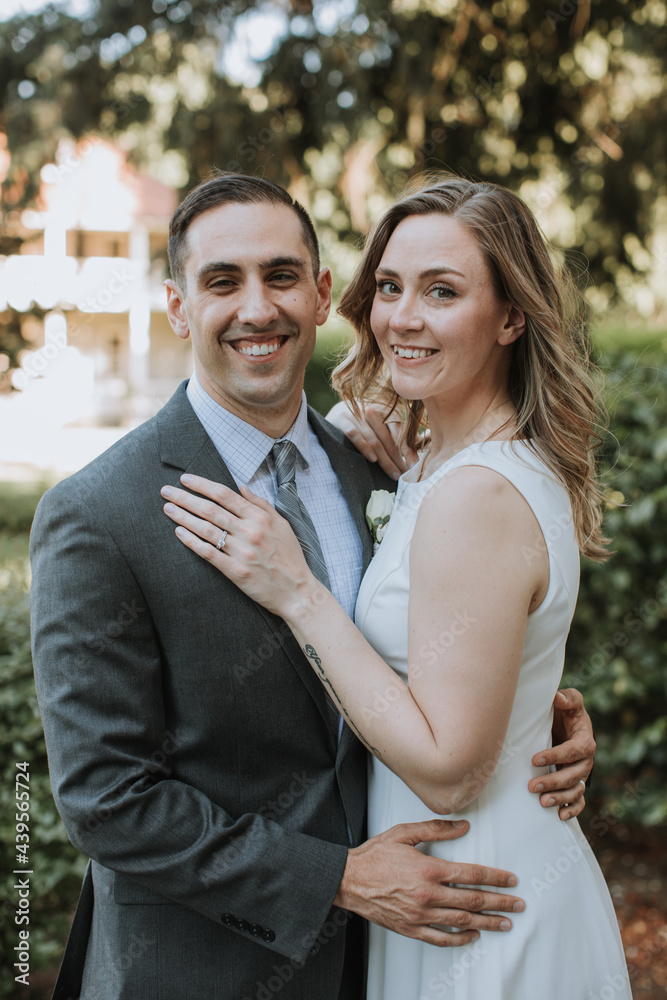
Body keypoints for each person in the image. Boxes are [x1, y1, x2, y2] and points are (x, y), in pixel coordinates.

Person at [31, 174, 595, 1000]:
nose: (257, 308)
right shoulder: (98, 513)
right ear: (179, 307)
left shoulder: (384, 470)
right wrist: (338, 879)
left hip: (402, 951)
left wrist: (535, 719)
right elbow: (105, 798)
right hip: (200, 971)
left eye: (281, 276)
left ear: (323, 294)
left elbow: (445, 658)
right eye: (222, 281)